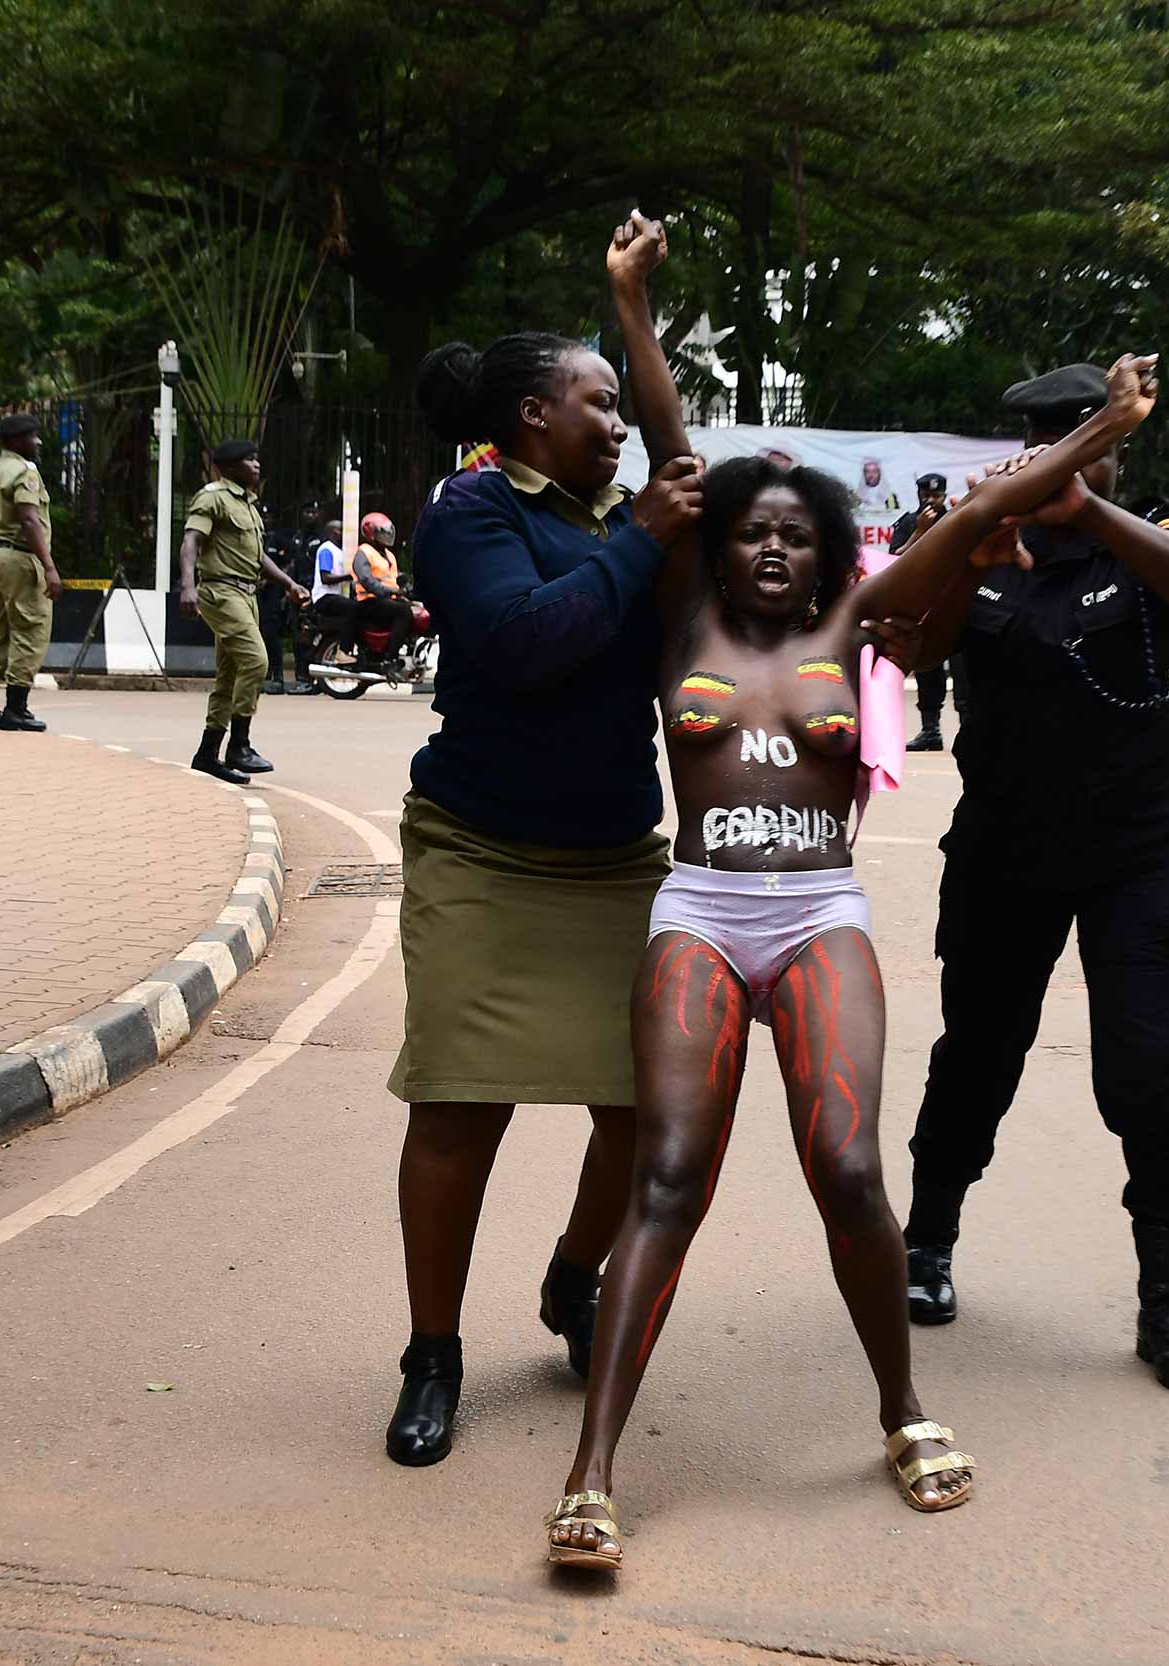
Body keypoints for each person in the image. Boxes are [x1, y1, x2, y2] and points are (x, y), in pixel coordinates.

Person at [545, 235, 1169, 1574]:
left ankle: (898, 1404)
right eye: (750, 534)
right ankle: (592, 1468)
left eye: (794, 535)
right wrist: (633, 306)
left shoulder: (858, 627)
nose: (769, 547)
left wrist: (1109, 427)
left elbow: (976, 511)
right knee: (666, 1178)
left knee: (842, 1164)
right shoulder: (681, 628)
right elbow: (671, 444)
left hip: (817, 912)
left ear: (825, 554)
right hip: (702, 913)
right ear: (718, 552)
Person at [381, 212, 706, 1474]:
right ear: (530, 418)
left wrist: (632, 306)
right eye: (596, 403)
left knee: (637, 1114)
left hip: (614, 856)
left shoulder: (631, 512)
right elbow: (522, 641)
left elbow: (678, 473)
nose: (618, 426)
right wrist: (636, 543)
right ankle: (432, 1352)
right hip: (480, 849)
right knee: (463, 1108)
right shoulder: (474, 509)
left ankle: (575, 1278)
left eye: (621, 407)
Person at [890, 361, 1169, 1402]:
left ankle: (1167, 1298)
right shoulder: (986, 544)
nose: (1060, 458)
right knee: (978, 1053)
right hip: (1005, 845)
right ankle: (927, 1242)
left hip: (1135, 850)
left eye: (1083, 441)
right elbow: (914, 646)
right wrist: (969, 552)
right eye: (1043, 443)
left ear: (1112, 450)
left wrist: (1092, 509)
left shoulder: (1151, 534)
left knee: (1149, 1066)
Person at [178, 438, 308, 782]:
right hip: (221, 591)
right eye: (250, 460)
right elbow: (192, 540)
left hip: (247, 595)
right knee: (256, 660)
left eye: (257, 459)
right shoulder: (212, 497)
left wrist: (288, 584)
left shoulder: (248, 504)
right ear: (229, 466)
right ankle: (239, 744)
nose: (257, 465)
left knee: (230, 676)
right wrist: (188, 586)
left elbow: (258, 557)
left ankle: (207, 754)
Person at [0, 414, 60, 733]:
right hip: (19, 557)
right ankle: (16, 708)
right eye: (32, 437)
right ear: (17, 441)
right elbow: (30, 520)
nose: (37, 442)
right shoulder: (24, 472)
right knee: (30, 629)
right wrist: (48, 566)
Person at [894, 470, 963, 751]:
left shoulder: (961, 516)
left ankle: (971, 727)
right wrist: (920, 531)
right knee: (927, 667)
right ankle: (931, 731)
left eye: (937, 495)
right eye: (926, 496)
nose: (932, 501)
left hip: (962, 601)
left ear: (945, 495)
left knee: (966, 669)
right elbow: (894, 560)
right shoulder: (909, 522)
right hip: (926, 604)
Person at [259, 503, 322, 695]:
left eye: (313, 512)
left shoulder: (312, 539)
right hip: (267, 592)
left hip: (294, 591)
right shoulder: (296, 538)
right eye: (306, 512)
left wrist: (284, 584)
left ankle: (302, 678)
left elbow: (289, 564)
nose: (265, 520)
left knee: (302, 635)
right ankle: (286, 677)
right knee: (281, 634)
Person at [351, 511, 416, 663]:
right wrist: (389, 591)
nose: (386, 536)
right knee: (404, 612)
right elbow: (366, 579)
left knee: (417, 609)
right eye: (382, 533)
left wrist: (407, 586)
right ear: (370, 533)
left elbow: (395, 577)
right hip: (369, 601)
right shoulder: (364, 552)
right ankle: (391, 658)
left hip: (387, 600)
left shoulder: (389, 554)